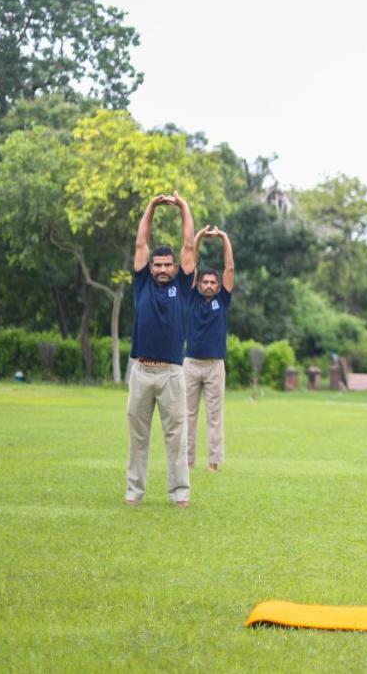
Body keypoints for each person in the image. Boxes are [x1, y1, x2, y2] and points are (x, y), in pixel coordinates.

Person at [126, 192, 197, 507]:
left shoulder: (182, 285)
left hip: (171, 374)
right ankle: (134, 492)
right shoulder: (142, 282)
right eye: (159, 264)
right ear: (151, 266)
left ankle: (179, 494)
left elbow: (190, 246)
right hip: (141, 371)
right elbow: (141, 242)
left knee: (176, 438)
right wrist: (152, 206)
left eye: (168, 264)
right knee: (137, 439)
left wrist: (183, 207)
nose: (164, 268)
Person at [185, 225, 235, 472]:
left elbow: (230, 268)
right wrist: (199, 237)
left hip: (215, 365)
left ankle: (214, 463)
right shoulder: (191, 297)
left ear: (217, 286)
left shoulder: (222, 300)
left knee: (215, 416)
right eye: (205, 281)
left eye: (212, 282)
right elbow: (190, 264)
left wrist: (224, 238)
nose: (208, 285)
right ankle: (188, 461)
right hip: (191, 364)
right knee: (187, 415)